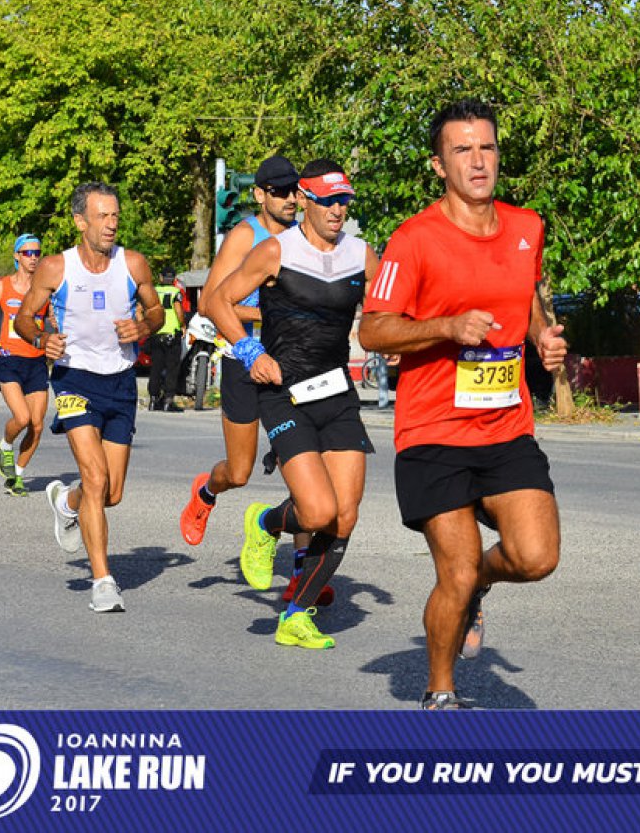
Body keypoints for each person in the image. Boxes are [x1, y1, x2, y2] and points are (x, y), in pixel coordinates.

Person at [359, 99, 568, 709]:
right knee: (455, 568)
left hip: (506, 426)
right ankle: (441, 692)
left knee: (536, 557)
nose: (478, 162)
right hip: (434, 432)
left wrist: (542, 338)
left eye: (487, 148)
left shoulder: (527, 227)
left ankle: (479, 586)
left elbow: (526, 299)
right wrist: (446, 327)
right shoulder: (414, 240)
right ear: (438, 164)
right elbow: (373, 330)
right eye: (462, 150)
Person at [206, 158, 378, 649]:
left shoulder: (362, 254)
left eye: (344, 200)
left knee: (345, 516)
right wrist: (250, 351)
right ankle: (264, 522)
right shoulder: (275, 250)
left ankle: (296, 615)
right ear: (303, 200)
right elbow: (216, 301)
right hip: (285, 393)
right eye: (327, 200)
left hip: (337, 393)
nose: (337, 210)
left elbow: (389, 307)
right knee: (318, 511)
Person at [181, 155, 329, 604]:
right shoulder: (245, 236)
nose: (290, 199)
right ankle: (206, 491)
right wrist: (270, 313)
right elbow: (209, 302)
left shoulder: (307, 236)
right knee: (240, 471)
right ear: (260, 195)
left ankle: (301, 573)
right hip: (243, 360)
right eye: (279, 192)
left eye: (294, 191)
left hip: (292, 367)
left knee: (302, 470)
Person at [14, 182, 165, 614]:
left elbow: (157, 311)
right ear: (81, 221)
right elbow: (24, 318)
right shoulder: (55, 268)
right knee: (96, 478)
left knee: (110, 493)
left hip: (120, 382)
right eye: (102, 216)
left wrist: (143, 327)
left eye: (115, 215)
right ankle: (103, 581)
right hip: (73, 379)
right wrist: (42, 339)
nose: (111, 224)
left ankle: (67, 502)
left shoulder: (133, 263)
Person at [0, 233, 50, 497]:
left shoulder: (45, 289)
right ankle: (5, 445)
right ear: (17, 256)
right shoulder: (0, 287)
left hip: (36, 361)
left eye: (37, 253)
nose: (33, 258)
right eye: (28, 253)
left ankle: (17, 476)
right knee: (22, 418)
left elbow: (53, 318)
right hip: (8, 360)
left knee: (37, 425)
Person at [146, 267, 186, 412]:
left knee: (156, 368)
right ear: (174, 279)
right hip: (171, 334)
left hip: (156, 333)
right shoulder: (175, 292)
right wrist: (182, 325)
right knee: (172, 369)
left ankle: (153, 400)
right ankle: (168, 401)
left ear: (161, 277)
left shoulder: (154, 292)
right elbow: (178, 311)